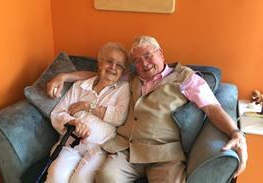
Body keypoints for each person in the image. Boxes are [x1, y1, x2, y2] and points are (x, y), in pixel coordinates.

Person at [47, 36, 247, 183]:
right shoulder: (133, 78)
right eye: (137, 60)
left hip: (164, 154)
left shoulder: (186, 78)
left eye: (148, 55)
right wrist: (64, 77)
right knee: (107, 178)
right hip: (127, 150)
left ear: (161, 54)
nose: (144, 63)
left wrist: (235, 133)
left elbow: (212, 107)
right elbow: (103, 73)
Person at [45, 42, 130, 183]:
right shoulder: (80, 85)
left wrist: (87, 106)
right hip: (70, 144)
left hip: (99, 148)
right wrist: (73, 122)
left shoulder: (123, 88)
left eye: (119, 65)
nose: (113, 68)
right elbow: (57, 113)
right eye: (109, 61)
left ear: (123, 71)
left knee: (80, 180)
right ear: (100, 63)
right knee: (56, 178)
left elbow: (118, 117)